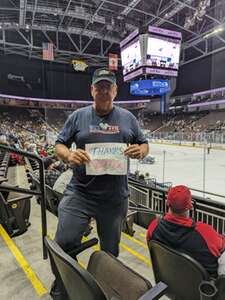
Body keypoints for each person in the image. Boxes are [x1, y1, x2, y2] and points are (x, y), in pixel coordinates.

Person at [51, 68, 149, 299]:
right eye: (99, 87)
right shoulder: (78, 116)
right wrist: (68, 156)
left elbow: (144, 144)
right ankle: (64, 287)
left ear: (115, 91)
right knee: (63, 243)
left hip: (114, 198)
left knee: (110, 254)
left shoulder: (128, 118)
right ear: (92, 90)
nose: (104, 91)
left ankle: (102, 290)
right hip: (80, 193)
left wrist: (141, 151)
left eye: (108, 87)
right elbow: (59, 144)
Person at [147, 185, 225, 278]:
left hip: (171, 280)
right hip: (203, 288)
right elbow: (221, 246)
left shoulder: (154, 226)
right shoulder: (204, 232)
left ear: (167, 203)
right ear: (190, 206)